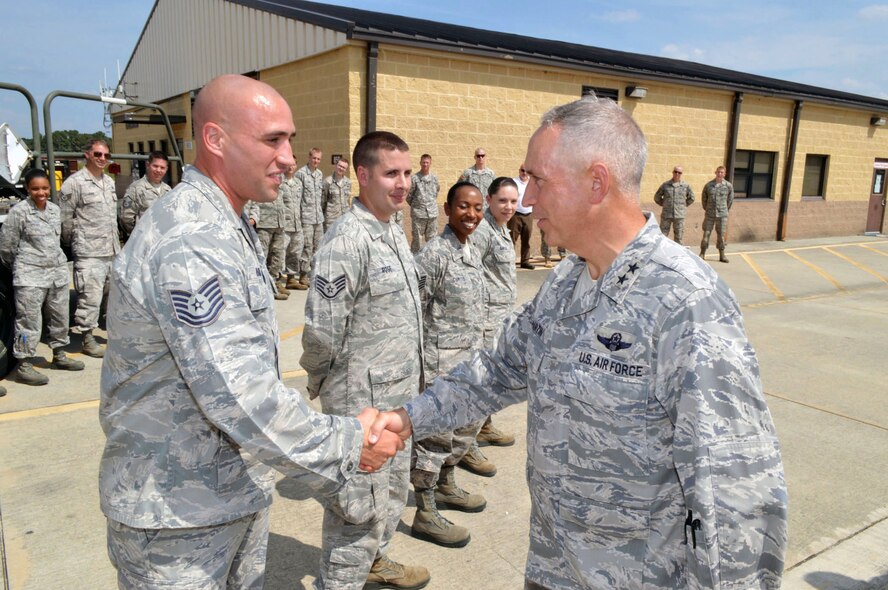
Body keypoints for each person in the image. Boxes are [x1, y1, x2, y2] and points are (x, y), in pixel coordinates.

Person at [371, 96, 788, 589]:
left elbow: (735, 492)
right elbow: (498, 369)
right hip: (553, 565)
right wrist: (407, 418)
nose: (527, 199)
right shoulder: (567, 280)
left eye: (538, 180)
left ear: (596, 182)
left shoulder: (685, 301)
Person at [98, 74, 404, 590]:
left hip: (223, 494)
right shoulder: (193, 238)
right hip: (177, 517)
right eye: (272, 140)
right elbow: (237, 392)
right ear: (215, 139)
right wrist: (349, 444)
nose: (288, 158)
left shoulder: (227, 222)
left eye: (289, 140)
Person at [301, 131, 429, 590]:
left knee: (390, 496)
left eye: (407, 173)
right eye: (391, 173)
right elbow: (321, 330)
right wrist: (322, 383)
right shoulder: (347, 240)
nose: (403, 183)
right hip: (360, 401)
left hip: (396, 399)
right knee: (357, 509)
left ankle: (376, 561)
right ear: (362, 175)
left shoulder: (392, 230)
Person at [410, 182, 488, 549]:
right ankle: (425, 511)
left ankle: (446, 485)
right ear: (447, 209)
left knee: (464, 429)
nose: (471, 214)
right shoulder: (435, 254)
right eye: (463, 207)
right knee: (435, 438)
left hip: (468, 362)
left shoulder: (471, 250)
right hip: (440, 363)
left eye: (477, 208)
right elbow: (414, 309)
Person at [0, 169, 84, 386]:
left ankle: (59, 355)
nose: (41, 193)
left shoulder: (54, 210)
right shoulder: (20, 212)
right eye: (36, 188)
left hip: (56, 274)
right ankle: (24, 365)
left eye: (45, 188)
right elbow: (7, 247)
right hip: (30, 277)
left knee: (60, 317)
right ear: (28, 189)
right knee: (28, 322)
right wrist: (24, 266)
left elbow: (58, 240)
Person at [466, 177, 518, 451]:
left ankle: (484, 427)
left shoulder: (501, 228)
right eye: (502, 201)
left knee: (492, 378)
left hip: (500, 317)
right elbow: (470, 273)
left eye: (513, 201)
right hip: (485, 319)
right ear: (489, 200)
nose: (509, 206)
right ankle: (466, 446)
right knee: (480, 380)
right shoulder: (483, 231)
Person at [58, 138, 120, 358]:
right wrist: (75, 242)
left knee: (113, 297)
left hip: (111, 250)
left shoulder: (109, 182)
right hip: (89, 251)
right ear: (87, 155)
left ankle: (112, 333)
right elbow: (65, 219)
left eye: (106, 155)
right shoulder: (74, 183)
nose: (102, 158)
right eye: (98, 154)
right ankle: (87, 338)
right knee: (90, 297)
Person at [246, 165, 292, 300]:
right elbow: (254, 198)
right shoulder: (260, 175)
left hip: (279, 223)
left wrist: (285, 217)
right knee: (263, 257)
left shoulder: (280, 176)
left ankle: (274, 284)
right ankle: (263, 287)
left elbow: (285, 199)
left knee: (278, 256)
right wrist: (254, 217)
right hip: (265, 223)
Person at [119, 151, 171, 237]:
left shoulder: (168, 190)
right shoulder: (136, 188)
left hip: (163, 239)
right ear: (148, 165)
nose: (158, 170)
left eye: (162, 167)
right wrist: (138, 235)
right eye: (155, 166)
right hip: (143, 240)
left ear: (166, 169)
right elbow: (126, 218)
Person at [297, 148, 325, 285]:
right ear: (309, 157)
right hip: (306, 217)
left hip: (318, 217)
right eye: (314, 158)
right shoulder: (301, 174)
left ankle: (314, 273)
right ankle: (303, 274)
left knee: (318, 246)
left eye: (318, 159)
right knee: (307, 246)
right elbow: (298, 198)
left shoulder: (319, 174)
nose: (316, 161)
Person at [281, 162, 307, 291]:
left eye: (293, 165)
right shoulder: (280, 182)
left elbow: (301, 203)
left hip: (297, 225)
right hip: (284, 224)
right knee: (280, 253)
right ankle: (277, 281)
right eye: (288, 165)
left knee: (295, 253)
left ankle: (291, 279)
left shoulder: (298, 183)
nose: (291, 167)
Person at [701, 165, 735, 263]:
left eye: (722, 172)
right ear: (715, 173)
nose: (719, 174)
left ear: (724, 174)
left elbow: (730, 200)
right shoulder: (708, 185)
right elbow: (704, 199)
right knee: (706, 234)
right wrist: (708, 209)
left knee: (721, 236)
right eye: (718, 172)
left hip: (722, 215)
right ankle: (702, 253)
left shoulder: (728, 186)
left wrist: (724, 210)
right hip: (710, 214)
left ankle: (722, 255)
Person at [407, 154, 440, 254]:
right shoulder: (414, 178)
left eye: (427, 162)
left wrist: (430, 204)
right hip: (418, 215)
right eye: (423, 162)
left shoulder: (434, 178)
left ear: (430, 163)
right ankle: (415, 260)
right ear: (420, 163)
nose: (425, 164)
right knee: (417, 241)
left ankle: (431, 259)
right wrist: (417, 206)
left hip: (432, 214)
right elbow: (408, 195)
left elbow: (436, 192)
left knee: (432, 240)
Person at [654, 165, 695, 244]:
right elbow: (657, 197)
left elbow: (692, 198)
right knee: (663, 236)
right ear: (672, 172)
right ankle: (662, 251)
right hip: (667, 215)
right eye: (675, 172)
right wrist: (665, 204)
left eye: (679, 172)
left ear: (681, 174)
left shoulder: (685, 186)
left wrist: (683, 206)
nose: (677, 174)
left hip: (679, 216)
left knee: (679, 238)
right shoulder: (665, 185)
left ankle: (677, 252)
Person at [508, 164, 535, 269]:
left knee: (526, 240)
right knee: (511, 240)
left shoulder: (532, 183)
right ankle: (509, 262)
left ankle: (525, 261)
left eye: (526, 171)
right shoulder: (513, 182)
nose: (524, 173)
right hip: (516, 215)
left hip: (528, 214)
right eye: (522, 170)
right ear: (519, 171)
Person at [322, 157, 352, 232]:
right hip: (331, 220)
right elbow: (323, 202)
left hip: (344, 218)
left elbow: (347, 200)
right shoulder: (328, 181)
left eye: (344, 167)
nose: (341, 168)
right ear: (336, 165)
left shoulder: (348, 183)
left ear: (346, 169)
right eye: (340, 166)